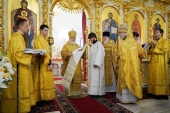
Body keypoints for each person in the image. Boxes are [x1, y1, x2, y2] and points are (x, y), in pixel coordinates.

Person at [1, 18, 36, 113]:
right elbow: (18, 54)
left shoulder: (19, 36)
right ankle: (19, 108)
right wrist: (32, 55)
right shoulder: (17, 37)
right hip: (19, 69)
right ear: (20, 26)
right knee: (20, 89)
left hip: (21, 67)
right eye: (26, 26)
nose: (28, 28)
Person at [116, 24, 143, 103]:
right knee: (122, 80)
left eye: (120, 33)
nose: (119, 34)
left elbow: (128, 54)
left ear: (124, 32)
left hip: (128, 65)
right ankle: (123, 98)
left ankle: (128, 99)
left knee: (127, 80)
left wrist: (120, 55)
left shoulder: (128, 42)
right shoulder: (126, 41)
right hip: (123, 64)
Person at [33, 24, 55, 103]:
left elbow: (47, 52)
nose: (47, 32)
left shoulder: (44, 39)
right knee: (41, 79)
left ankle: (45, 96)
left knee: (45, 79)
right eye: (45, 30)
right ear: (41, 30)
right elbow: (43, 53)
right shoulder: (39, 39)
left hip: (45, 62)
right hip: (41, 63)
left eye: (47, 30)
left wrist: (50, 61)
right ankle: (40, 98)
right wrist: (49, 63)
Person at [148, 29, 169, 100]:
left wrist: (156, 45)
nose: (155, 34)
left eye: (157, 32)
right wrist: (151, 46)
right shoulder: (155, 41)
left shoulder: (165, 41)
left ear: (161, 33)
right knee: (153, 76)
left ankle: (161, 94)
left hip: (160, 62)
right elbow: (150, 52)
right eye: (155, 32)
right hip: (153, 62)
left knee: (159, 77)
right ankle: (152, 92)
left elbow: (164, 50)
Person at [60, 29, 83, 97]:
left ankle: (76, 92)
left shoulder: (78, 46)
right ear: (69, 38)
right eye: (72, 38)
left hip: (77, 65)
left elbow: (81, 55)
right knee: (70, 78)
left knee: (76, 77)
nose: (73, 39)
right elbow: (62, 52)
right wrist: (67, 54)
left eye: (74, 38)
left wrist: (83, 52)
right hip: (69, 65)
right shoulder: (66, 45)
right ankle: (68, 92)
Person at [88, 32, 105, 96]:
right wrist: (90, 62)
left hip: (97, 65)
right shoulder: (93, 45)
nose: (90, 40)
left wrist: (96, 63)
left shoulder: (99, 44)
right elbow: (91, 55)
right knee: (93, 78)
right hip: (93, 66)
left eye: (90, 39)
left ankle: (97, 93)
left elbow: (100, 54)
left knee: (97, 78)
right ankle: (92, 92)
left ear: (93, 37)